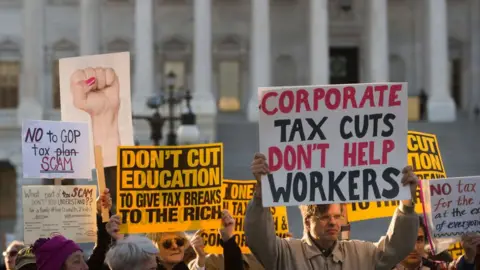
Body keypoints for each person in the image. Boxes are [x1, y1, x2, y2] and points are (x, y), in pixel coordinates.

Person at [245, 152, 419, 270]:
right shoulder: (286, 253)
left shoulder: (360, 253)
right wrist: (261, 194)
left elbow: (396, 247)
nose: (333, 222)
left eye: (337, 216)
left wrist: (407, 204)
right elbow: (259, 239)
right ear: (307, 221)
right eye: (325, 217)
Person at [106, 215, 206, 270]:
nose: (175, 246)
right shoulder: (144, 264)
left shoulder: (182, 268)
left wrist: (201, 258)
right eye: (167, 243)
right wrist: (118, 240)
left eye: (179, 242)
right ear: (153, 246)